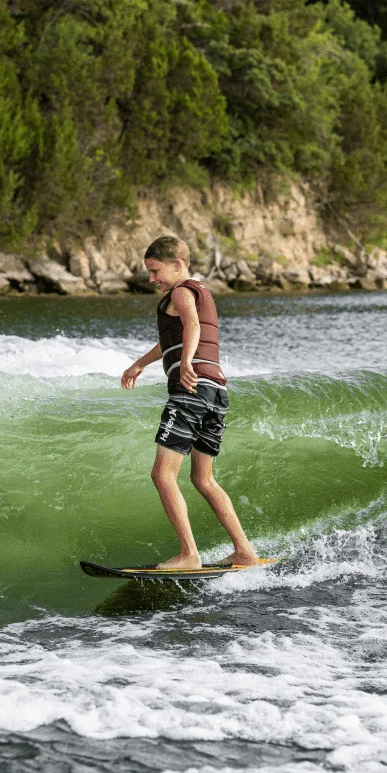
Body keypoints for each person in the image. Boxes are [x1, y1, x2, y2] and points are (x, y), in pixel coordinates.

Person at [120, 236, 258, 570]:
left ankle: (189, 555)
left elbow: (192, 326)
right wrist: (140, 363)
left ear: (177, 264)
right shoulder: (199, 292)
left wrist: (185, 362)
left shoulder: (181, 292)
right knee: (203, 479)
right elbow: (176, 336)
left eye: (155, 270)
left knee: (162, 475)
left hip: (191, 391)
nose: (152, 278)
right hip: (215, 393)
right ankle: (245, 552)